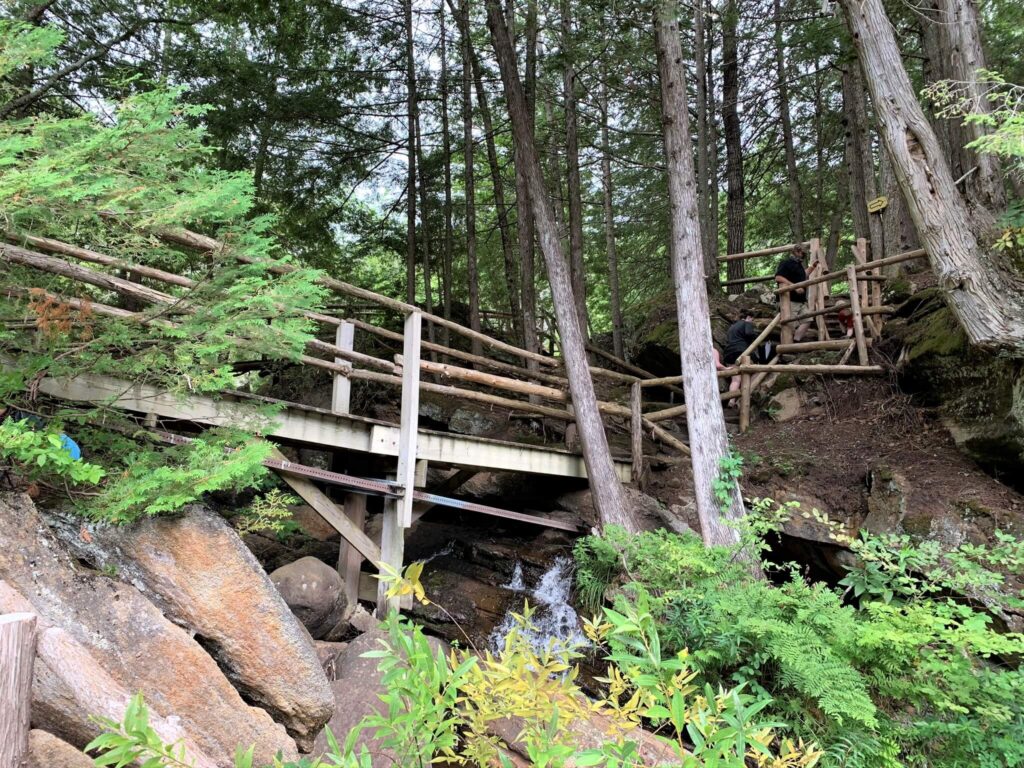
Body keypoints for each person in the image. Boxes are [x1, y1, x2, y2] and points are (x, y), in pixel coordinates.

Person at [774, 247, 818, 342]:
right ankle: (787, 347)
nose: (803, 256)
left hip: (800, 301)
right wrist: (794, 287)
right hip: (789, 300)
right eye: (802, 253)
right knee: (789, 324)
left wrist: (812, 267)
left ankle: (795, 340)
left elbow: (803, 276)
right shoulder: (786, 263)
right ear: (796, 252)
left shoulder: (798, 265)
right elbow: (778, 277)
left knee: (808, 319)